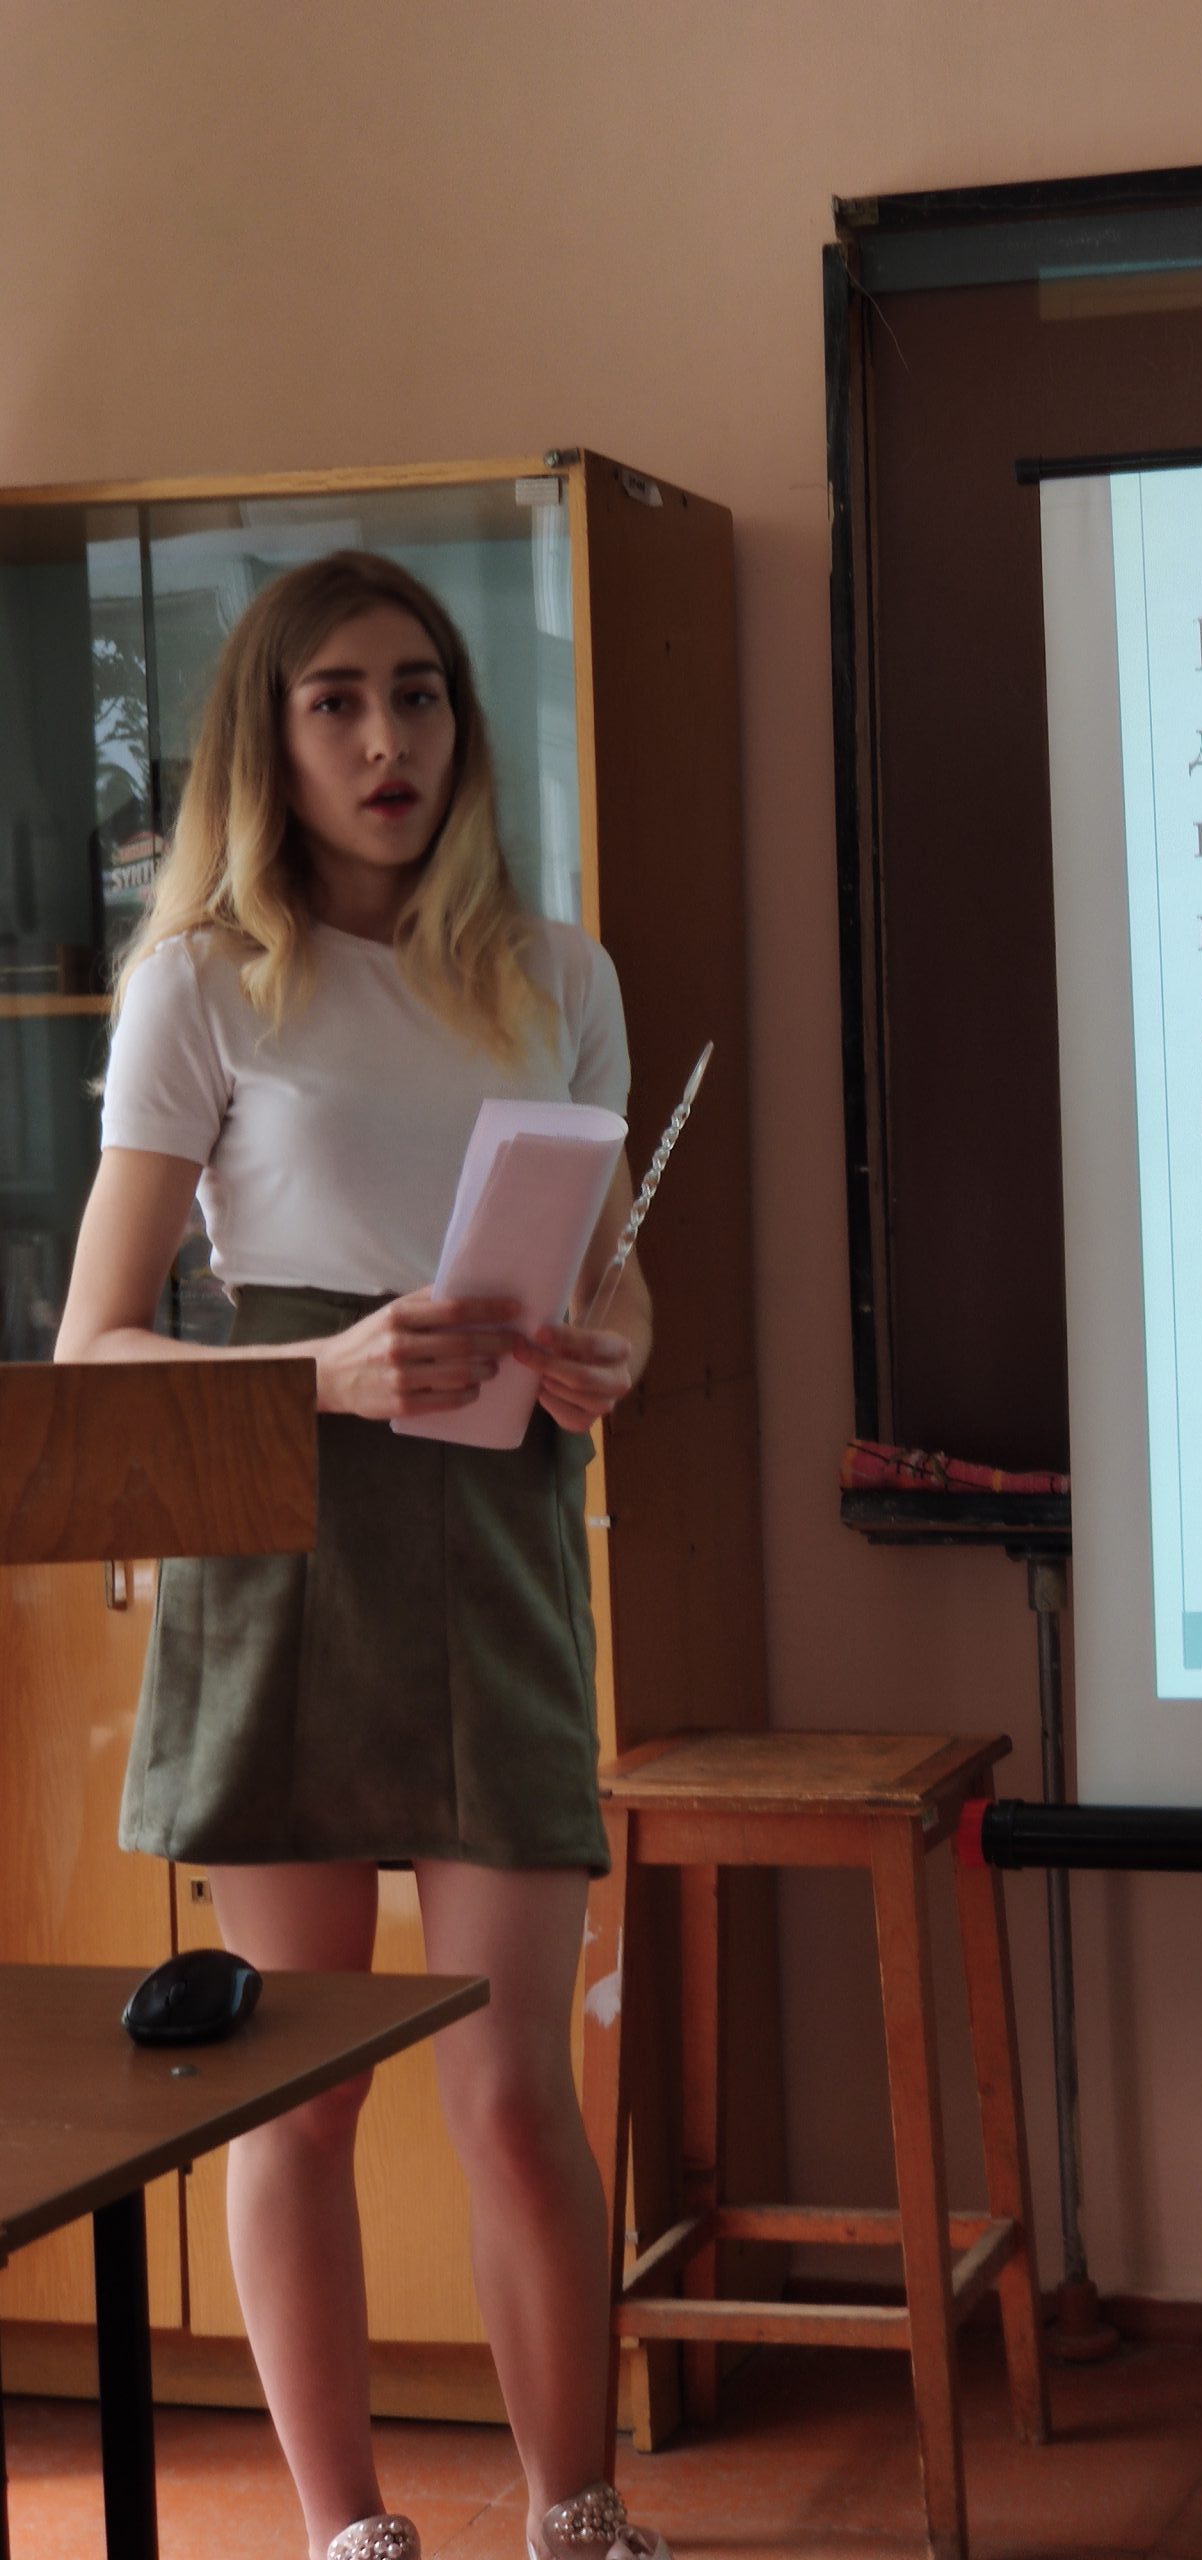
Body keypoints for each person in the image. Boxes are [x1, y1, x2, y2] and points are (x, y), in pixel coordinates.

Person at [56, 551, 670, 2560]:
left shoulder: (560, 975)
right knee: (298, 2087)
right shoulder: (198, 982)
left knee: (511, 2088)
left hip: (497, 1536)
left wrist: (615, 1343)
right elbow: (93, 1350)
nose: (388, 738)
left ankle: (575, 2513)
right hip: (283, 1546)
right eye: (337, 700)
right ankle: (350, 2530)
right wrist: (317, 1369)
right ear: (273, 735)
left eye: (418, 693)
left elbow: (619, 1277)